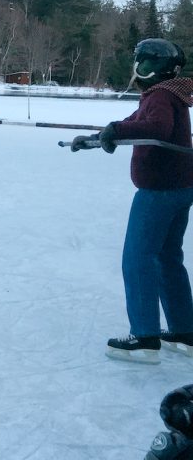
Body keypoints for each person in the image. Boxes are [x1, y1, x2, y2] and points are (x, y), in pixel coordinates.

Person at [70, 38, 193, 363]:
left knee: (138, 259)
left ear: (151, 66)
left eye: (140, 60)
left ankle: (145, 338)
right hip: (180, 188)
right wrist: (98, 138)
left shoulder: (161, 97)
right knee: (168, 259)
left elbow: (156, 128)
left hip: (159, 192)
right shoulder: (170, 94)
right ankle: (184, 332)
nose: (136, 66)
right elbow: (133, 125)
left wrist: (116, 130)